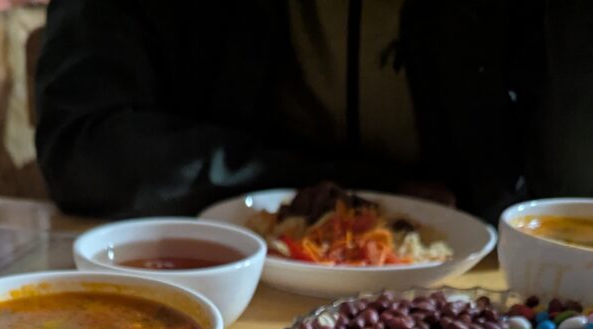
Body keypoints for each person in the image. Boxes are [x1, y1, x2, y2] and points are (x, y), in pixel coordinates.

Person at [35, 0, 592, 223]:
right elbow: (84, 148)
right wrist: (351, 187)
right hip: (221, 277)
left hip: (480, 281)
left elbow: (573, 191)